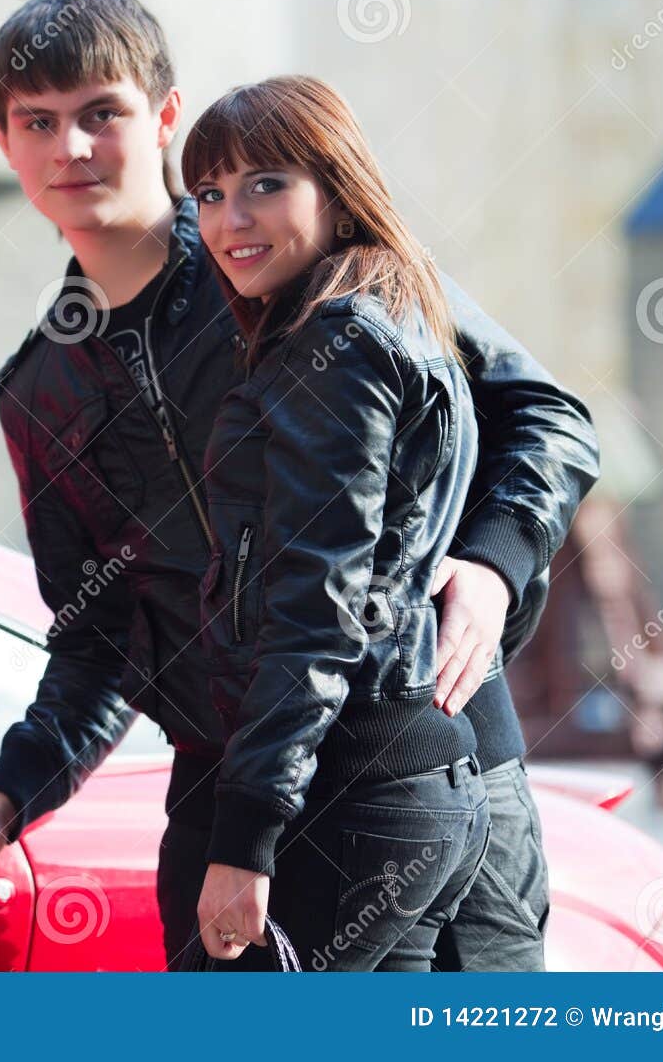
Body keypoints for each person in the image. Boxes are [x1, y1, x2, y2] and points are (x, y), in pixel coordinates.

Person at [0, 0, 598, 972]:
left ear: (165, 117)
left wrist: (490, 561)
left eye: (103, 112)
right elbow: (103, 643)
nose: (74, 149)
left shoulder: (293, 267)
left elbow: (544, 415)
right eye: (38, 123)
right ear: (4, 141)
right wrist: (4, 800)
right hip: (228, 796)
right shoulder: (40, 393)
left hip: (426, 755)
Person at [183, 74, 486, 969]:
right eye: (209, 193)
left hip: (347, 790)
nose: (231, 219)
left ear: (337, 186)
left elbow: (319, 599)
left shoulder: (335, 338)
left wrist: (246, 837)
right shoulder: (400, 312)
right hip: (412, 781)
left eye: (264, 184)